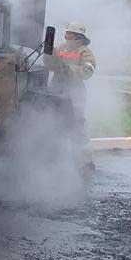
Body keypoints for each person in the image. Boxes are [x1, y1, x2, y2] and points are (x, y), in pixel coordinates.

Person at [45, 21, 97, 174]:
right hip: (57, 89)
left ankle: (86, 163)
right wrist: (48, 54)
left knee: (77, 126)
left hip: (75, 92)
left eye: (69, 33)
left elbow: (88, 71)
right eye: (66, 33)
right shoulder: (60, 48)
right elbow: (49, 64)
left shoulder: (85, 52)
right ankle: (55, 161)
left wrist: (69, 69)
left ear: (78, 36)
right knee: (54, 124)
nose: (66, 35)